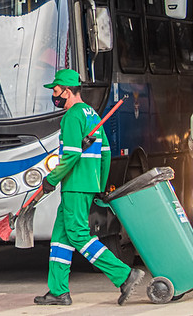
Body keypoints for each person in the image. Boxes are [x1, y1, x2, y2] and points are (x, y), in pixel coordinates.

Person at [35, 69, 144, 306]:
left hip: (74, 185)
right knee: (60, 238)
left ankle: (124, 275)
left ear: (67, 90)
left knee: (79, 236)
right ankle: (58, 291)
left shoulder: (73, 116)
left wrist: (50, 180)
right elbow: (105, 153)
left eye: (56, 91)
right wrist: (100, 184)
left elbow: (71, 156)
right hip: (87, 184)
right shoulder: (92, 114)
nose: (54, 96)